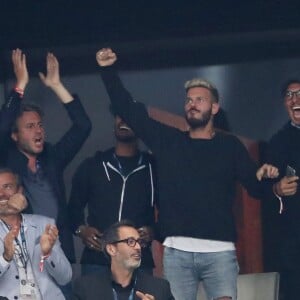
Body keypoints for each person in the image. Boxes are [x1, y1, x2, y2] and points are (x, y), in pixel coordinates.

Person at [95, 48, 279, 300]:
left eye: (199, 100)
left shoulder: (230, 146)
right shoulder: (169, 141)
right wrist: (107, 71)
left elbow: (255, 187)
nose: (192, 104)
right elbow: (128, 110)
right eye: (189, 100)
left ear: (215, 107)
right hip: (177, 253)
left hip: (220, 252)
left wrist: (267, 178)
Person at [0, 49, 92, 265]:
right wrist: (20, 84)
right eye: (30, 127)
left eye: (40, 125)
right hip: (22, 254)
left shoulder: (53, 157)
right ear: (15, 135)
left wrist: (56, 85)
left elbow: (83, 126)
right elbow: (3, 126)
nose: (38, 131)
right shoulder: (7, 157)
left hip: (58, 254)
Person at [68, 108, 156, 275]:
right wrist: (82, 230)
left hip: (138, 260)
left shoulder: (153, 167)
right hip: (97, 261)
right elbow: (72, 208)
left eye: (129, 117)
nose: (123, 121)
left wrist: (153, 231)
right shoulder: (93, 165)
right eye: (119, 116)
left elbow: (171, 210)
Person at [0, 168, 72, 300]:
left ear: (20, 191)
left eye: (7, 187)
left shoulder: (44, 224)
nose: (1, 194)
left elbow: (65, 278)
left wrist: (48, 253)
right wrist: (5, 258)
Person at [72, 220, 174, 300]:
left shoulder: (159, 288)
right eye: (131, 241)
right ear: (111, 249)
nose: (138, 247)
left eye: (139, 242)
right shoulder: (85, 288)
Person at [265, 79, 300, 300]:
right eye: (289, 95)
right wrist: (276, 189)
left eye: (299, 93)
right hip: (294, 240)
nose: (295, 99)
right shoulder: (277, 143)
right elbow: (263, 190)